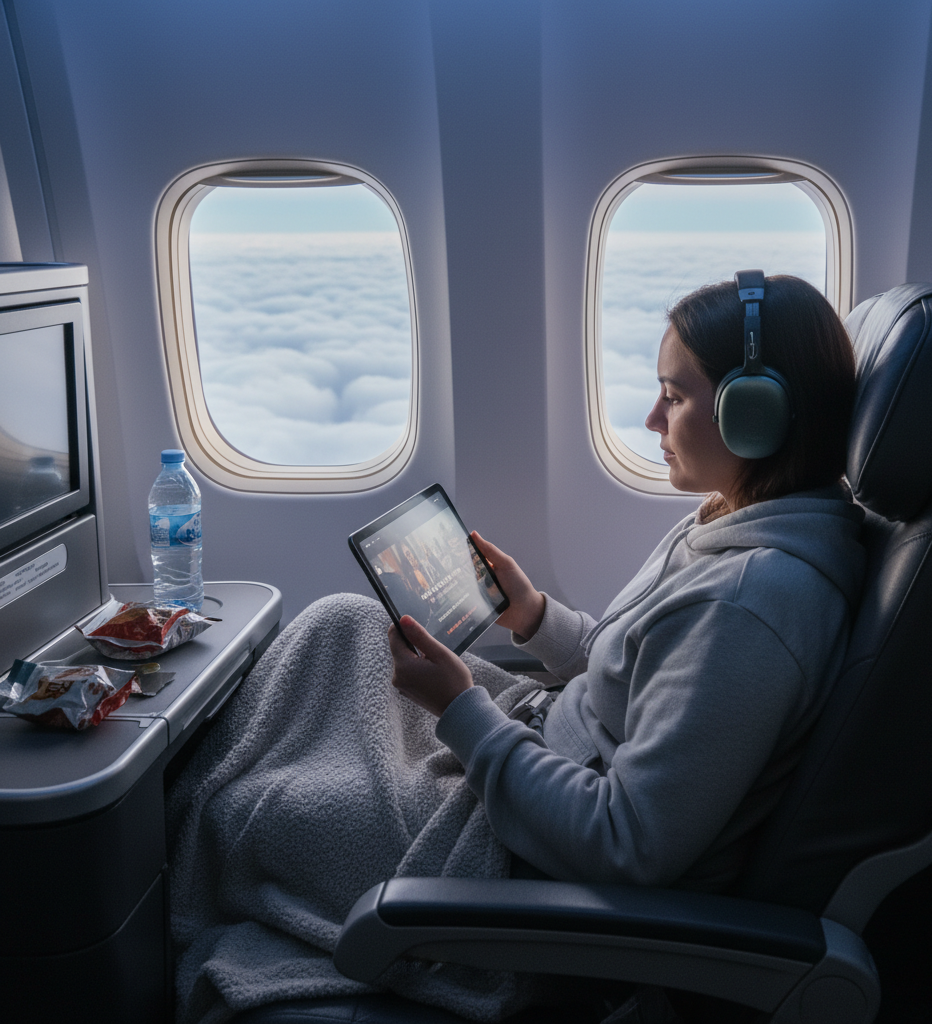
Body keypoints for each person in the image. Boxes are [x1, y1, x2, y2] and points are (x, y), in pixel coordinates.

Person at [168, 274, 864, 1023]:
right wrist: (534, 616)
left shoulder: (750, 608)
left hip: (514, 856)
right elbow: (639, 681)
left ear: (755, 418)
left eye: (676, 396)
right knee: (341, 624)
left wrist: (461, 709)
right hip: (539, 752)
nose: (650, 416)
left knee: (249, 810)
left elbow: (625, 845)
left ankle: (133, 890)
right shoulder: (734, 520)